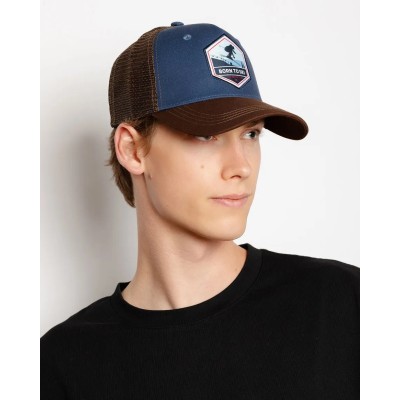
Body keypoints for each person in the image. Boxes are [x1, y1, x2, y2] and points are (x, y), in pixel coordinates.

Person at [41, 22, 360, 399]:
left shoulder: (344, 304)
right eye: (206, 135)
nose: (241, 166)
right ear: (132, 149)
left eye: (251, 134)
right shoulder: (60, 365)